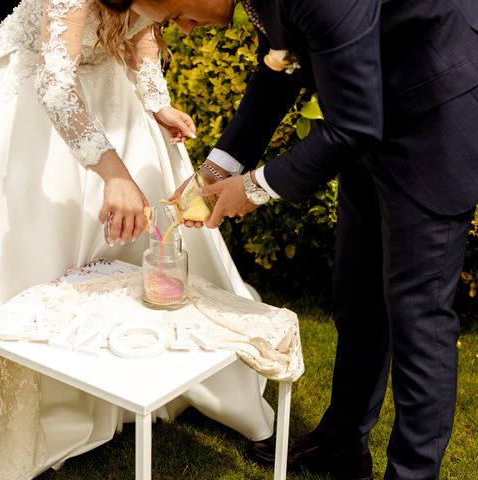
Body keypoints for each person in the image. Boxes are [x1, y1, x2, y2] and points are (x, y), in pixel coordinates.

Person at [0, 1, 277, 479]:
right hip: (37, 100)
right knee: (25, 246)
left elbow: (140, 27)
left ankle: (136, 368)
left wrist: (156, 102)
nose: (188, 30)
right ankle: (26, 402)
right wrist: (114, 173)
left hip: (111, 96)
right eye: (188, 18)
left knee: (143, 245)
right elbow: (54, 84)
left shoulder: (158, 3)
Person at [100, 0, 478, 479]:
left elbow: (356, 123)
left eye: (175, 14)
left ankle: (412, 474)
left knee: (418, 318)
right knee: (356, 296)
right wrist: (216, 171)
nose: (186, 30)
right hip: (363, 118)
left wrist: (255, 188)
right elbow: (276, 74)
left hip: (434, 112)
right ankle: (343, 444)